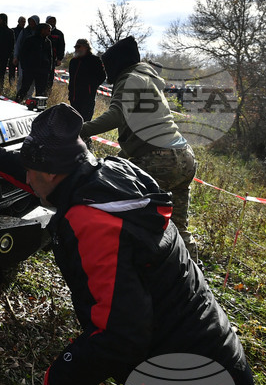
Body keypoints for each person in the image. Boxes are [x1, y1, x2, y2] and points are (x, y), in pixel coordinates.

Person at [0, 104, 255, 385]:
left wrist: (57, 380)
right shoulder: (106, 174)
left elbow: (120, 336)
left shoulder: (93, 223)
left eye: (33, 169)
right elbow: (31, 175)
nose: (29, 179)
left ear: (50, 171)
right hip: (213, 346)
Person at [80, 36, 198, 253]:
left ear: (118, 63)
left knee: (128, 212)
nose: (106, 72)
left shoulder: (128, 79)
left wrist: (80, 129)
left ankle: (131, 264)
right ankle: (193, 276)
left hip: (159, 158)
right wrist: (121, 158)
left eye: (107, 66)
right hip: (184, 157)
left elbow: (117, 114)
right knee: (179, 227)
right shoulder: (148, 77)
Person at [67, 38, 106, 122]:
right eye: (75, 47)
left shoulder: (95, 60)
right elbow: (71, 78)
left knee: (85, 122)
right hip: (74, 97)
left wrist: (92, 86)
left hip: (87, 97)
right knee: (73, 122)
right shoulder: (73, 61)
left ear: (86, 47)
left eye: (78, 46)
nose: (76, 49)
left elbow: (102, 76)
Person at [15, 22, 52, 103]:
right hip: (30, 69)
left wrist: (48, 70)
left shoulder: (48, 42)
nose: (49, 32)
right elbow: (23, 54)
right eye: (48, 30)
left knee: (41, 92)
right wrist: (25, 67)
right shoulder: (30, 40)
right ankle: (17, 102)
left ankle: (40, 108)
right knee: (25, 88)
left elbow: (50, 57)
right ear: (42, 30)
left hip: (42, 71)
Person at [13, 15, 39, 97]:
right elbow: (18, 45)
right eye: (30, 21)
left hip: (34, 61)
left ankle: (29, 97)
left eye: (33, 21)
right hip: (23, 59)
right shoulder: (24, 32)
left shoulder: (39, 32)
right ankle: (19, 95)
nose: (31, 23)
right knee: (21, 78)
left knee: (32, 80)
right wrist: (15, 56)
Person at [46, 16, 66, 93]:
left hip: (53, 59)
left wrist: (60, 58)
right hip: (42, 59)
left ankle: (47, 94)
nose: (52, 22)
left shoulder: (59, 34)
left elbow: (62, 46)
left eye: (53, 21)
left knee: (50, 78)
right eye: (50, 21)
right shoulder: (43, 31)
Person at [8, 16, 25, 88]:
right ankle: (11, 86)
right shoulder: (13, 30)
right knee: (11, 71)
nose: (23, 23)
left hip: (22, 55)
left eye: (24, 22)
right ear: (18, 22)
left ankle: (18, 87)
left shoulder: (26, 31)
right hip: (12, 54)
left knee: (20, 73)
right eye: (22, 21)